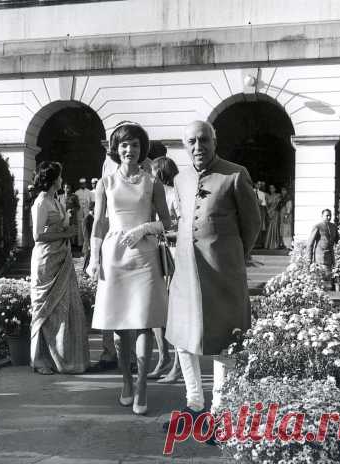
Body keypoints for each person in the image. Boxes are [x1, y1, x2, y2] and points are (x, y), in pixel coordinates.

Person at [164, 121, 260, 429]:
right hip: (186, 272)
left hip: (223, 274)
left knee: (224, 341)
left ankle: (220, 414)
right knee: (181, 336)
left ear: (214, 141)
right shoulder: (180, 179)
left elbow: (253, 224)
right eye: (191, 141)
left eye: (203, 140)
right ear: (185, 144)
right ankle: (194, 404)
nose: (197, 146)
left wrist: (234, 258)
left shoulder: (235, 174)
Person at [86, 121, 171, 415]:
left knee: (145, 322)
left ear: (141, 148)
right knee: (121, 327)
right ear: (116, 148)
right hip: (114, 256)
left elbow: (168, 224)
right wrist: (94, 259)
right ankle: (126, 381)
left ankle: (143, 387)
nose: (129, 150)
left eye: (135, 145)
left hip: (145, 257)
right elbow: (98, 223)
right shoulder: (105, 183)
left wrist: (145, 228)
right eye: (124, 144)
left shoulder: (153, 182)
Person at [30, 161, 90, 375]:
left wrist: (68, 226)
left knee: (63, 307)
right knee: (44, 308)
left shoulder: (55, 200)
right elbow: (37, 236)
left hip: (61, 257)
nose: (62, 180)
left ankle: (62, 358)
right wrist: (65, 234)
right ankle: (40, 360)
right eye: (60, 177)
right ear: (53, 179)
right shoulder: (41, 203)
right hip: (46, 259)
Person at [147, 156, 182, 384]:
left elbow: (184, 227)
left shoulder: (175, 195)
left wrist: (163, 233)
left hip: (173, 254)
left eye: (152, 171)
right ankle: (164, 358)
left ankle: (178, 365)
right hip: (156, 254)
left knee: (175, 313)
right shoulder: (152, 195)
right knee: (154, 310)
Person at [306, 208, 339, 279]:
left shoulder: (333, 227)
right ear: (322, 216)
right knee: (321, 279)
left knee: (328, 279)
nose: (329, 217)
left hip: (330, 257)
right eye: (327, 215)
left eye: (330, 215)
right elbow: (310, 243)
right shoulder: (318, 226)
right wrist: (309, 259)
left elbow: (337, 240)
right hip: (320, 257)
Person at [58, 183, 80, 248]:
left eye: (68, 187)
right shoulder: (59, 197)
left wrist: (72, 210)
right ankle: (63, 246)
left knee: (71, 232)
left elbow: (78, 207)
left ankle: (71, 247)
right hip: (62, 218)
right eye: (66, 187)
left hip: (71, 217)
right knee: (63, 232)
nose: (67, 189)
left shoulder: (74, 197)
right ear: (63, 188)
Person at [75, 178, 92, 248]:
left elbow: (92, 202)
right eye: (81, 183)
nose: (83, 184)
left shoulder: (89, 192)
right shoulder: (76, 192)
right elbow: (75, 203)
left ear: (86, 183)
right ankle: (80, 244)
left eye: (84, 183)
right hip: (79, 212)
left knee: (87, 227)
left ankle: (87, 244)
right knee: (80, 228)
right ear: (80, 184)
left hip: (87, 212)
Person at [264, 184, 281, 249]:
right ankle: (268, 244)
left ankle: (275, 244)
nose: (271, 189)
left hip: (275, 213)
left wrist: (271, 212)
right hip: (269, 214)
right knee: (269, 228)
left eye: (273, 188)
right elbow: (266, 205)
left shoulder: (278, 195)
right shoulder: (267, 196)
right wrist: (268, 213)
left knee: (275, 227)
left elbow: (277, 205)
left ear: (275, 189)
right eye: (270, 188)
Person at [253, 180, 267, 248]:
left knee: (259, 227)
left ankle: (259, 244)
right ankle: (252, 244)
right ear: (254, 184)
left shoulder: (262, 193)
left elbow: (264, 203)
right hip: (252, 211)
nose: (258, 185)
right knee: (252, 227)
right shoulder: (250, 192)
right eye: (257, 184)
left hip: (259, 210)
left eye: (259, 184)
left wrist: (260, 202)